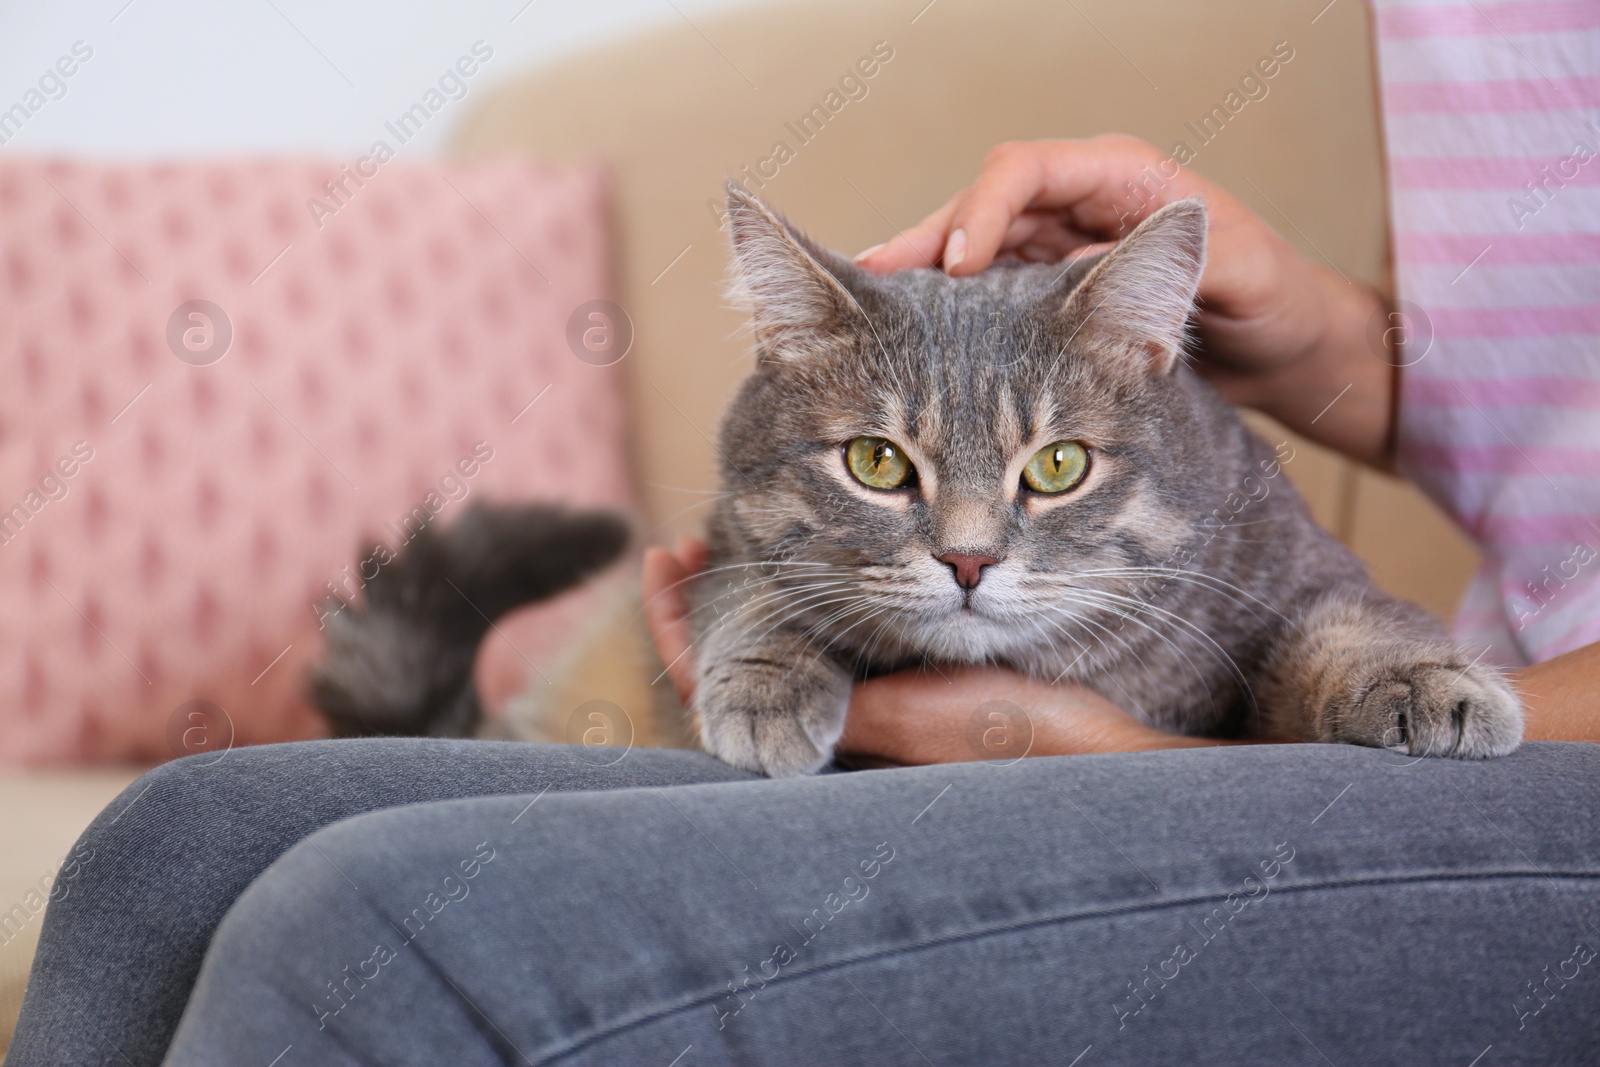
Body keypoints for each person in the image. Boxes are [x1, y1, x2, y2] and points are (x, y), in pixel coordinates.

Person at [11, 7, 1599, 1063]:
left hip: (1555, 773)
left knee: (366, 929)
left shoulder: (1221, 536)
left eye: (1035, 482)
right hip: (1505, 631)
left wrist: (1194, 763)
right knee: (174, 851)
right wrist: (1328, 333)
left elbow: (1318, 627)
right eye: (894, 475)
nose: (971, 548)